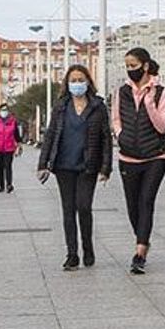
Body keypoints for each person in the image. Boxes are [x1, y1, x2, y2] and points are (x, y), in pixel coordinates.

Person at [37, 65, 113, 270]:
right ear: (67, 83)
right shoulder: (61, 106)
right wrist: (42, 164)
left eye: (81, 79)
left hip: (88, 165)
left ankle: (88, 247)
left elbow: (106, 138)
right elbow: (51, 135)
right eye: (73, 80)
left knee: (84, 207)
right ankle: (72, 253)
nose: (77, 83)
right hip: (63, 165)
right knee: (68, 210)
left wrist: (106, 168)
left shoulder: (98, 107)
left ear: (88, 81)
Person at [111, 47, 165, 274]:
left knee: (146, 201)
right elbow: (116, 118)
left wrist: (149, 105)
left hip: (155, 156)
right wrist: (120, 134)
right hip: (128, 156)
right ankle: (142, 237)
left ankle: (140, 252)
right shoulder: (122, 92)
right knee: (132, 206)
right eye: (127, 66)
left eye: (133, 65)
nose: (130, 70)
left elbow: (163, 126)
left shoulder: (160, 92)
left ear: (145, 66)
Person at [0, 103, 23, 193]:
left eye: (6, 110)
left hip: (9, 148)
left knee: (8, 166)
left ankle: (9, 184)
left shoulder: (13, 122)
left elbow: (16, 134)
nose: (4, 112)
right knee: (0, 167)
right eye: (2, 110)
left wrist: (19, 144)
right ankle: (1, 185)